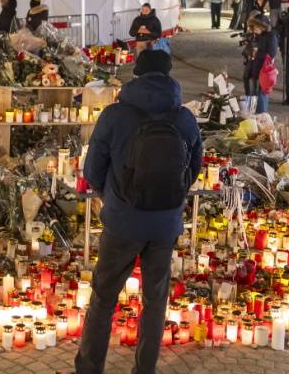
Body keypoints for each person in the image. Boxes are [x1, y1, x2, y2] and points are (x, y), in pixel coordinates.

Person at [76, 49, 203, 374]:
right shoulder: (184, 118)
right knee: (155, 300)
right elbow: (194, 168)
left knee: (104, 298)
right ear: (169, 75)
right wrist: (171, 199)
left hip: (123, 223)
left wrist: (114, 196)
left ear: (137, 74)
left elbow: (92, 170)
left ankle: (90, 369)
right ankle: (145, 370)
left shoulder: (116, 115)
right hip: (164, 227)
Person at [247, 14, 278, 114]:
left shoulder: (271, 36)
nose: (255, 29)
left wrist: (257, 53)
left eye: (256, 26)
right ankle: (254, 115)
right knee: (254, 93)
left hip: (264, 70)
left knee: (261, 94)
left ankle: (262, 116)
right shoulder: (259, 35)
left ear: (263, 26)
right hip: (257, 68)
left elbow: (271, 53)